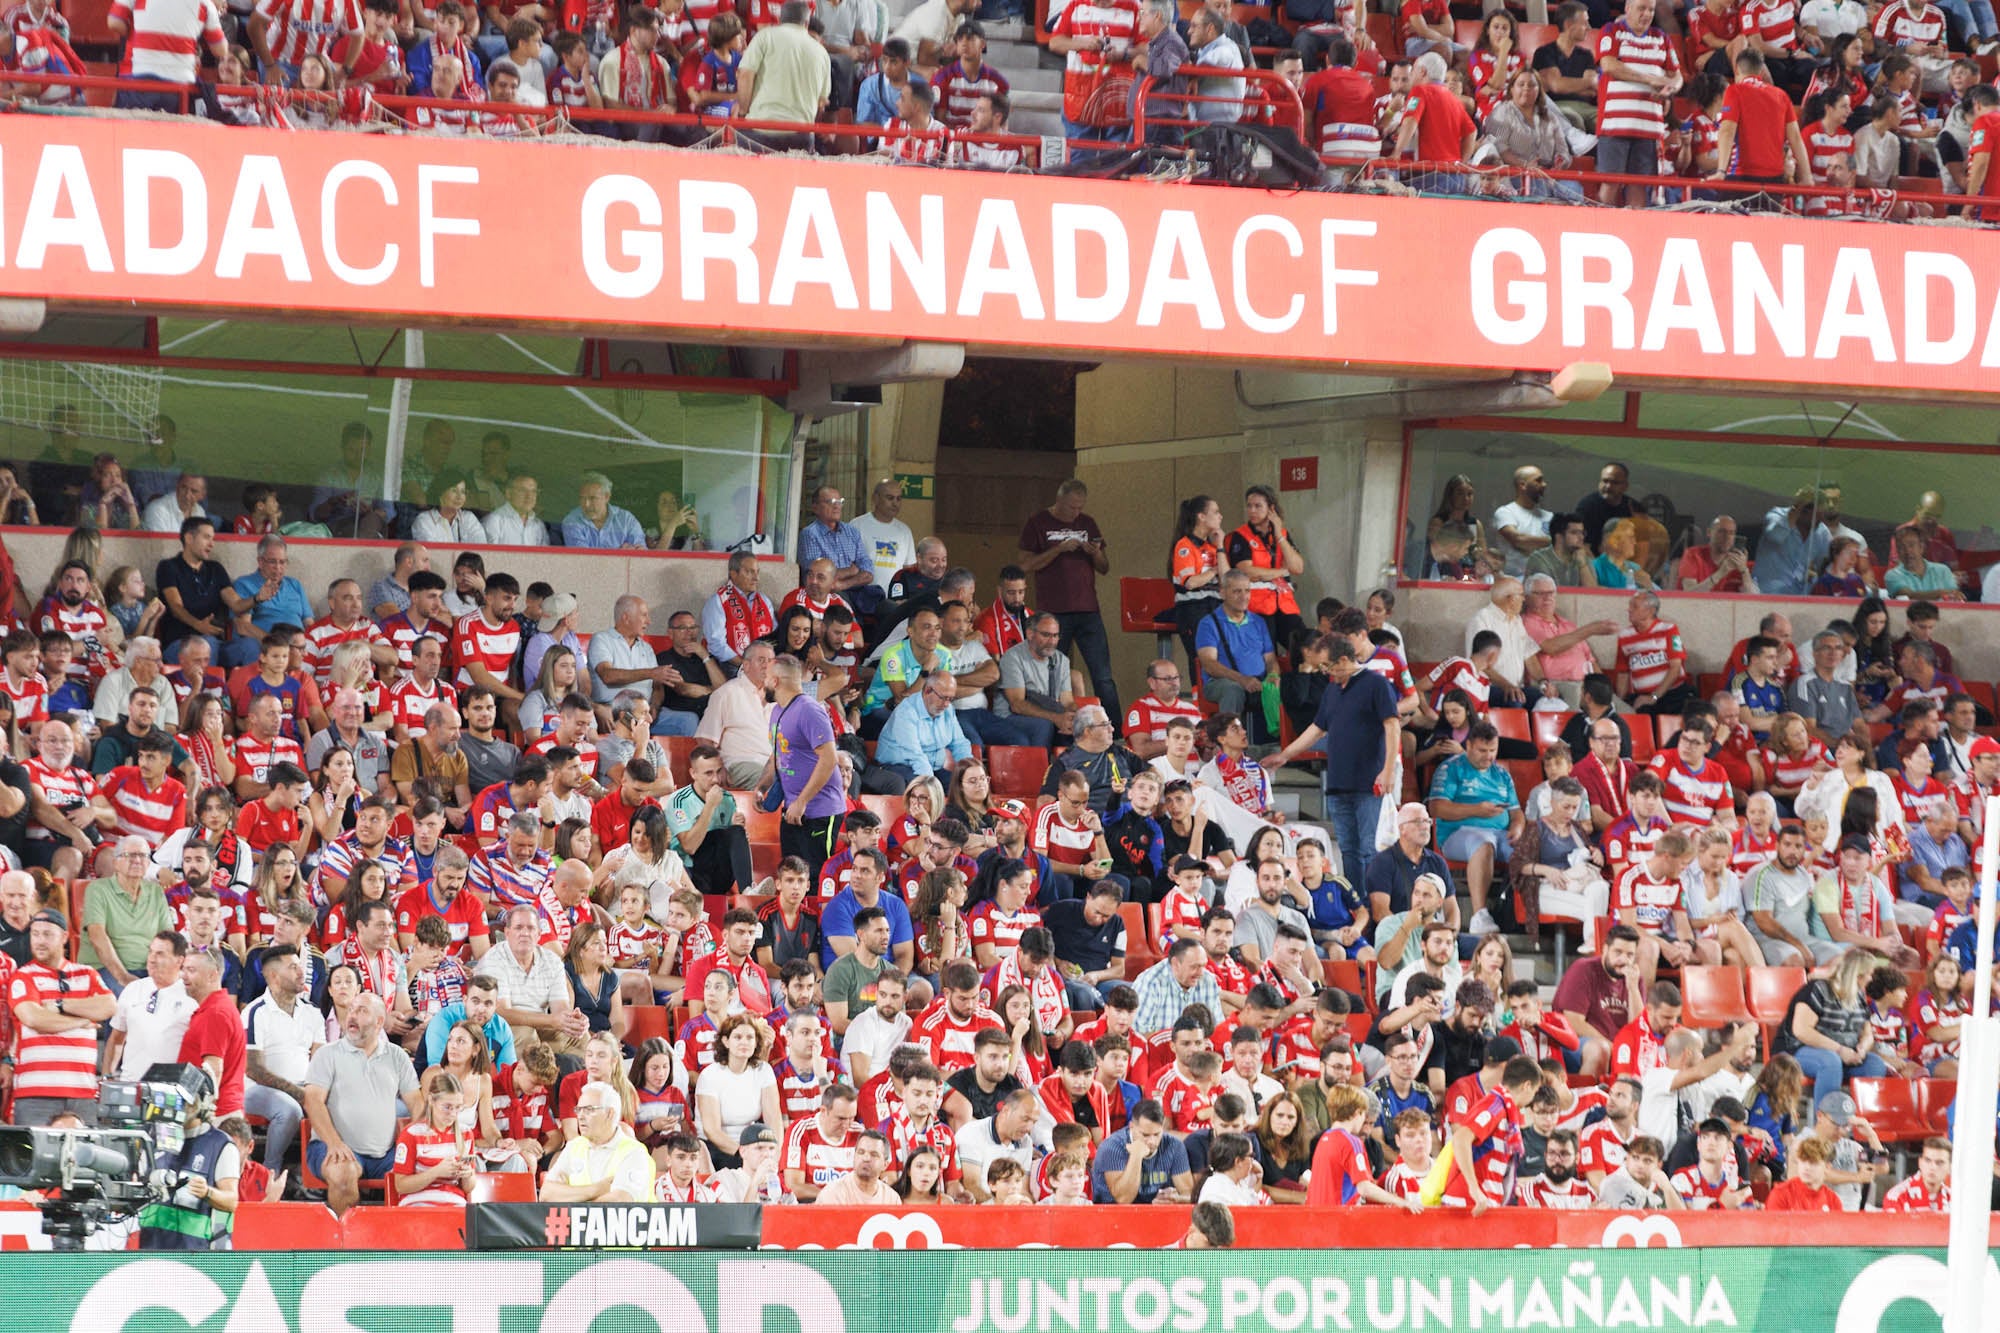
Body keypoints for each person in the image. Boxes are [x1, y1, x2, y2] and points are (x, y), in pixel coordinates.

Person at [1266, 638, 1398, 887]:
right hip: (1338, 783)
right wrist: (1285, 755)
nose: (1325, 671)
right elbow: (1317, 728)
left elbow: (1392, 726)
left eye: (1328, 665)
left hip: (1369, 782)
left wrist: (1388, 770)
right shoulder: (1332, 690)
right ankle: (1356, 905)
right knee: (1348, 849)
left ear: (1345, 660)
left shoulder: (1376, 684)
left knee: (1369, 848)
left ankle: (1375, 907)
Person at [302, 994, 422, 1214]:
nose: (352, 1016)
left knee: (424, 1171)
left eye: (362, 1011)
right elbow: (312, 1101)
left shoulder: (397, 1056)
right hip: (331, 1146)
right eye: (352, 1010)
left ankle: (399, 1241)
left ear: (379, 1022)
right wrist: (334, 1143)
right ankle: (347, 1244)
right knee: (343, 1173)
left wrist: (416, 1146)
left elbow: (416, 1103)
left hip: (386, 1153)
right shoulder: (327, 1054)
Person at [1017, 479, 1118, 725]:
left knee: (1102, 675)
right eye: (1071, 507)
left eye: (1080, 507)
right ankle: (1053, 724)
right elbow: (1024, 565)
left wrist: (1095, 553)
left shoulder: (1087, 523)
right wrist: (1058, 550)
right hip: (1053, 612)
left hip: (1087, 610)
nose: (1076, 513)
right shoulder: (1038, 522)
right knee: (1051, 672)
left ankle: (1115, 730)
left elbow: (1105, 567)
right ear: (1059, 501)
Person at [10, 908, 116, 1125]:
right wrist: (81, 1020)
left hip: (83, 1093)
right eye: (35, 934)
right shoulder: (23, 976)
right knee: (33, 1158)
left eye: (47, 934)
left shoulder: (87, 973)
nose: (40, 941)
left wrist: (60, 1005)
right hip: (35, 1094)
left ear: (65, 938)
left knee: (86, 1157)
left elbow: (108, 1006)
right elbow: (34, 1018)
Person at [1594, 0, 1683, 207]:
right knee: (1610, 183)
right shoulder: (1611, 31)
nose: (1646, 14)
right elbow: (1609, 65)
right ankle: (1599, 227)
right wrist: (1650, 79)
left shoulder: (1661, 38)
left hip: (1649, 127)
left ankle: (1635, 231)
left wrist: (1671, 88)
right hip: (1614, 124)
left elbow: (1677, 76)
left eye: (1651, 10)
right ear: (1628, 9)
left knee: (1639, 184)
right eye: (1641, 8)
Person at [734, 0, 831, 148]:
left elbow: (745, 75)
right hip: (800, 134)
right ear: (806, 22)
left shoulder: (764, 37)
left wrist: (742, 112)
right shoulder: (821, 52)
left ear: (780, 20)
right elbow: (822, 103)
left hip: (759, 128)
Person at [542, 1079, 655, 1201]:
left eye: (589, 1110)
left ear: (610, 1113)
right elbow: (546, 1194)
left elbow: (620, 1201)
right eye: (578, 1110)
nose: (580, 1116)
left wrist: (571, 1198)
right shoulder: (574, 1146)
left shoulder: (634, 1152)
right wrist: (596, 1189)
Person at [1195, 571, 1278, 731]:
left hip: (1258, 681)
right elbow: (1209, 665)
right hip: (1221, 683)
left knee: (1287, 687)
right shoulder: (1208, 623)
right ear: (1222, 592)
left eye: (1247, 590)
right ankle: (1229, 745)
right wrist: (1242, 679)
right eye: (1237, 591)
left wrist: (1273, 676)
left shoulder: (1258, 622)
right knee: (1233, 690)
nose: (1244, 596)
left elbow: (1270, 659)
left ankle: (1282, 746)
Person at [1092, 1099, 1192, 1203]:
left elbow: (1189, 1195)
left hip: (1157, 1214)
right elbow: (1123, 1200)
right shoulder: (1112, 1147)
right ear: (1132, 1127)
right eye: (1145, 1135)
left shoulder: (1174, 1145)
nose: (1152, 1141)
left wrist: (1175, 1199)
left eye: (1157, 1134)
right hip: (1113, 1215)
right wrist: (1136, 1155)